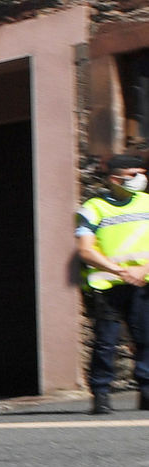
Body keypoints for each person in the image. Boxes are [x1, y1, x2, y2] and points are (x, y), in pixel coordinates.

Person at [76, 153, 149, 414]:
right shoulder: (93, 208)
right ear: (115, 179)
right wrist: (119, 271)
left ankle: (147, 391)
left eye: (143, 173)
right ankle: (101, 394)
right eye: (134, 174)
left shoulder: (147, 203)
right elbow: (85, 250)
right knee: (106, 342)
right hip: (107, 287)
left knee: (146, 339)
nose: (141, 178)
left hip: (143, 284)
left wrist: (143, 269)